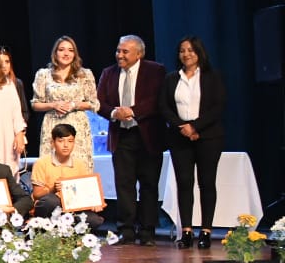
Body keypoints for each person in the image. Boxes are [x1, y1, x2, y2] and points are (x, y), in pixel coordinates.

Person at [96, 34, 167, 246]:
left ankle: (147, 231)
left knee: (149, 184)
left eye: (125, 51)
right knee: (124, 184)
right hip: (121, 136)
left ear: (139, 54)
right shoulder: (108, 73)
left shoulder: (155, 71)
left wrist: (133, 111)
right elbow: (99, 102)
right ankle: (125, 230)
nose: (120, 55)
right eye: (118, 50)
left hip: (147, 135)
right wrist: (114, 113)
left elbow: (157, 100)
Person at [161, 36, 226, 249]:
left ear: (199, 52)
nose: (186, 54)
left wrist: (195, 127)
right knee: (184, 183)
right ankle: (187, 232)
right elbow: (164, 107)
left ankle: (206, 231)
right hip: (179, 137)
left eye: (190, 50)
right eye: (182, 50)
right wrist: (183, 127)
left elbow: (218, 106)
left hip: (208, 137)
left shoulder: (212, 77)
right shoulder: (172, 78)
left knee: (206, 182)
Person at [31, 36, 99, 172]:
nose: (66, 53)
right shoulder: (43, 74)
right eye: (61, 50)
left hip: (77, 126)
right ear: (55, 53)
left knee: (78, 168)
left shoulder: (84, 74)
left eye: (70, 50)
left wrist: (74, 104)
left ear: (75, 54)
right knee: (52, 168)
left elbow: (93, 103)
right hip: (53, 124)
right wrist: (53, 105)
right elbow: (35, 104)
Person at [30, 123, 106, 231]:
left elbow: (86, 191)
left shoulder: (79, 164)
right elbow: (37, 194)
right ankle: (46, 228)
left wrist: (94, 203)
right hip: (51, 206)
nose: (66, 145)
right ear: (53, 143)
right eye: (61, 141)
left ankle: (68, 232)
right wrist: (53, 188)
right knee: (51, 201)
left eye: (70, 141)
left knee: (94, 220)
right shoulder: (42, 163)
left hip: (73, 207)